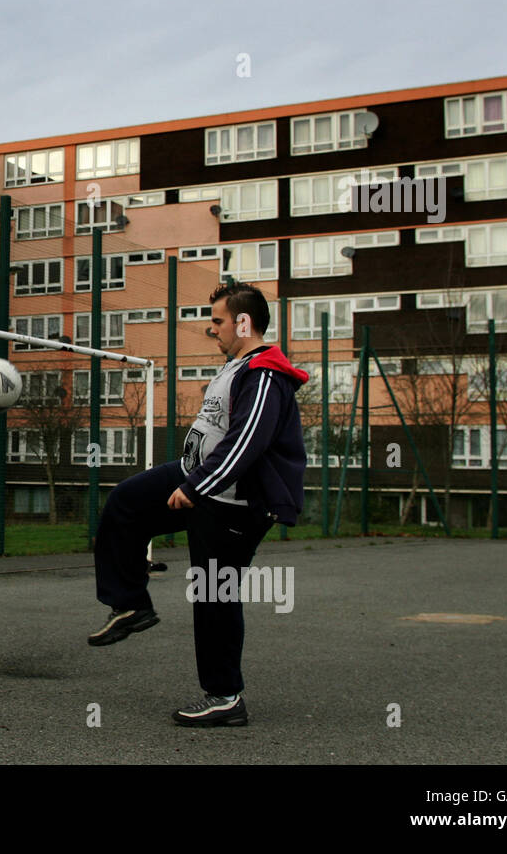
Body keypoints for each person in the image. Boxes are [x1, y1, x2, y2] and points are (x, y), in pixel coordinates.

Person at [87, 282, 307, 727]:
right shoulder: (236, 366)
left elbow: (248, 441)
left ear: (243, 322)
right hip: (200, 480)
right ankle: (131, 604)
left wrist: (196, 486)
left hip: (232, 500)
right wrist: (192, 479)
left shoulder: (265, 373)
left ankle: (225, 697)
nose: (214, 330)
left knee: (214, 592)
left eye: (218, 322)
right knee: (126, 503)